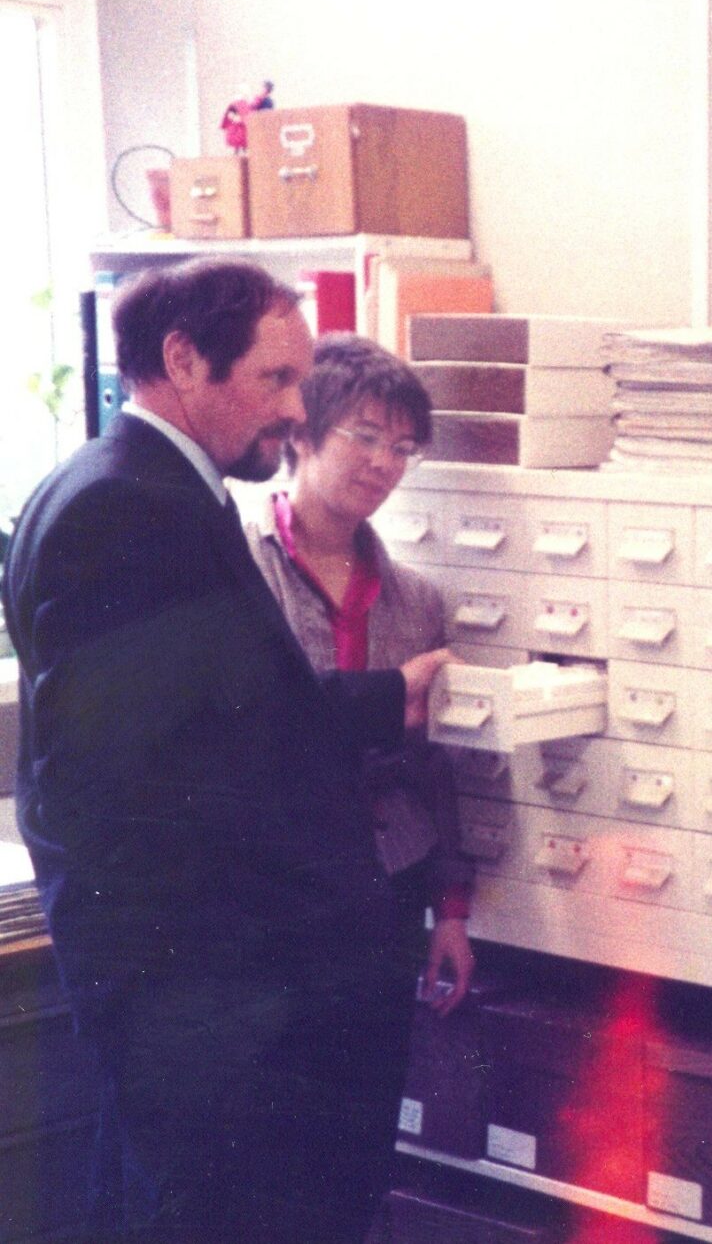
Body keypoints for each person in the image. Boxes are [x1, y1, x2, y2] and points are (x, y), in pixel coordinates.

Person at [2, 257, 450, 1243]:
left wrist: (385, 699)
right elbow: (138, 776)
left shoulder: (135, 486)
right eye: (275, 380)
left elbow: (217, 715)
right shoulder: (127, 509)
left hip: (198, 980)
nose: (297, 411)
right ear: (182, 360)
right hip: (192, 985)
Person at [244, 333, 475, 1013]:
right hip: (275, 887)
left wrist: (452, 911)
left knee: (368, 1103)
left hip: (389, 880)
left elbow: (434, 766)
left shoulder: (416, 599)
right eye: (365, 436)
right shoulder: (243, 573)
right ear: (304, 432)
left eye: (403, 448)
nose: (383, 463)